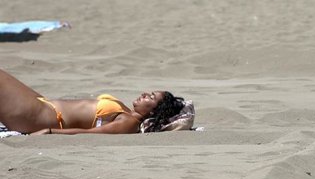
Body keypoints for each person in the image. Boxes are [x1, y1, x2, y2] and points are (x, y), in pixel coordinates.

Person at [0, 69, 191, 135]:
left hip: (43, 117)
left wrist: (50, 132)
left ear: (153, 112)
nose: (144, 94)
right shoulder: (126, 113)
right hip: (43, 105)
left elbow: (91, 133)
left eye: (150, 97)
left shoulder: (129, 123)